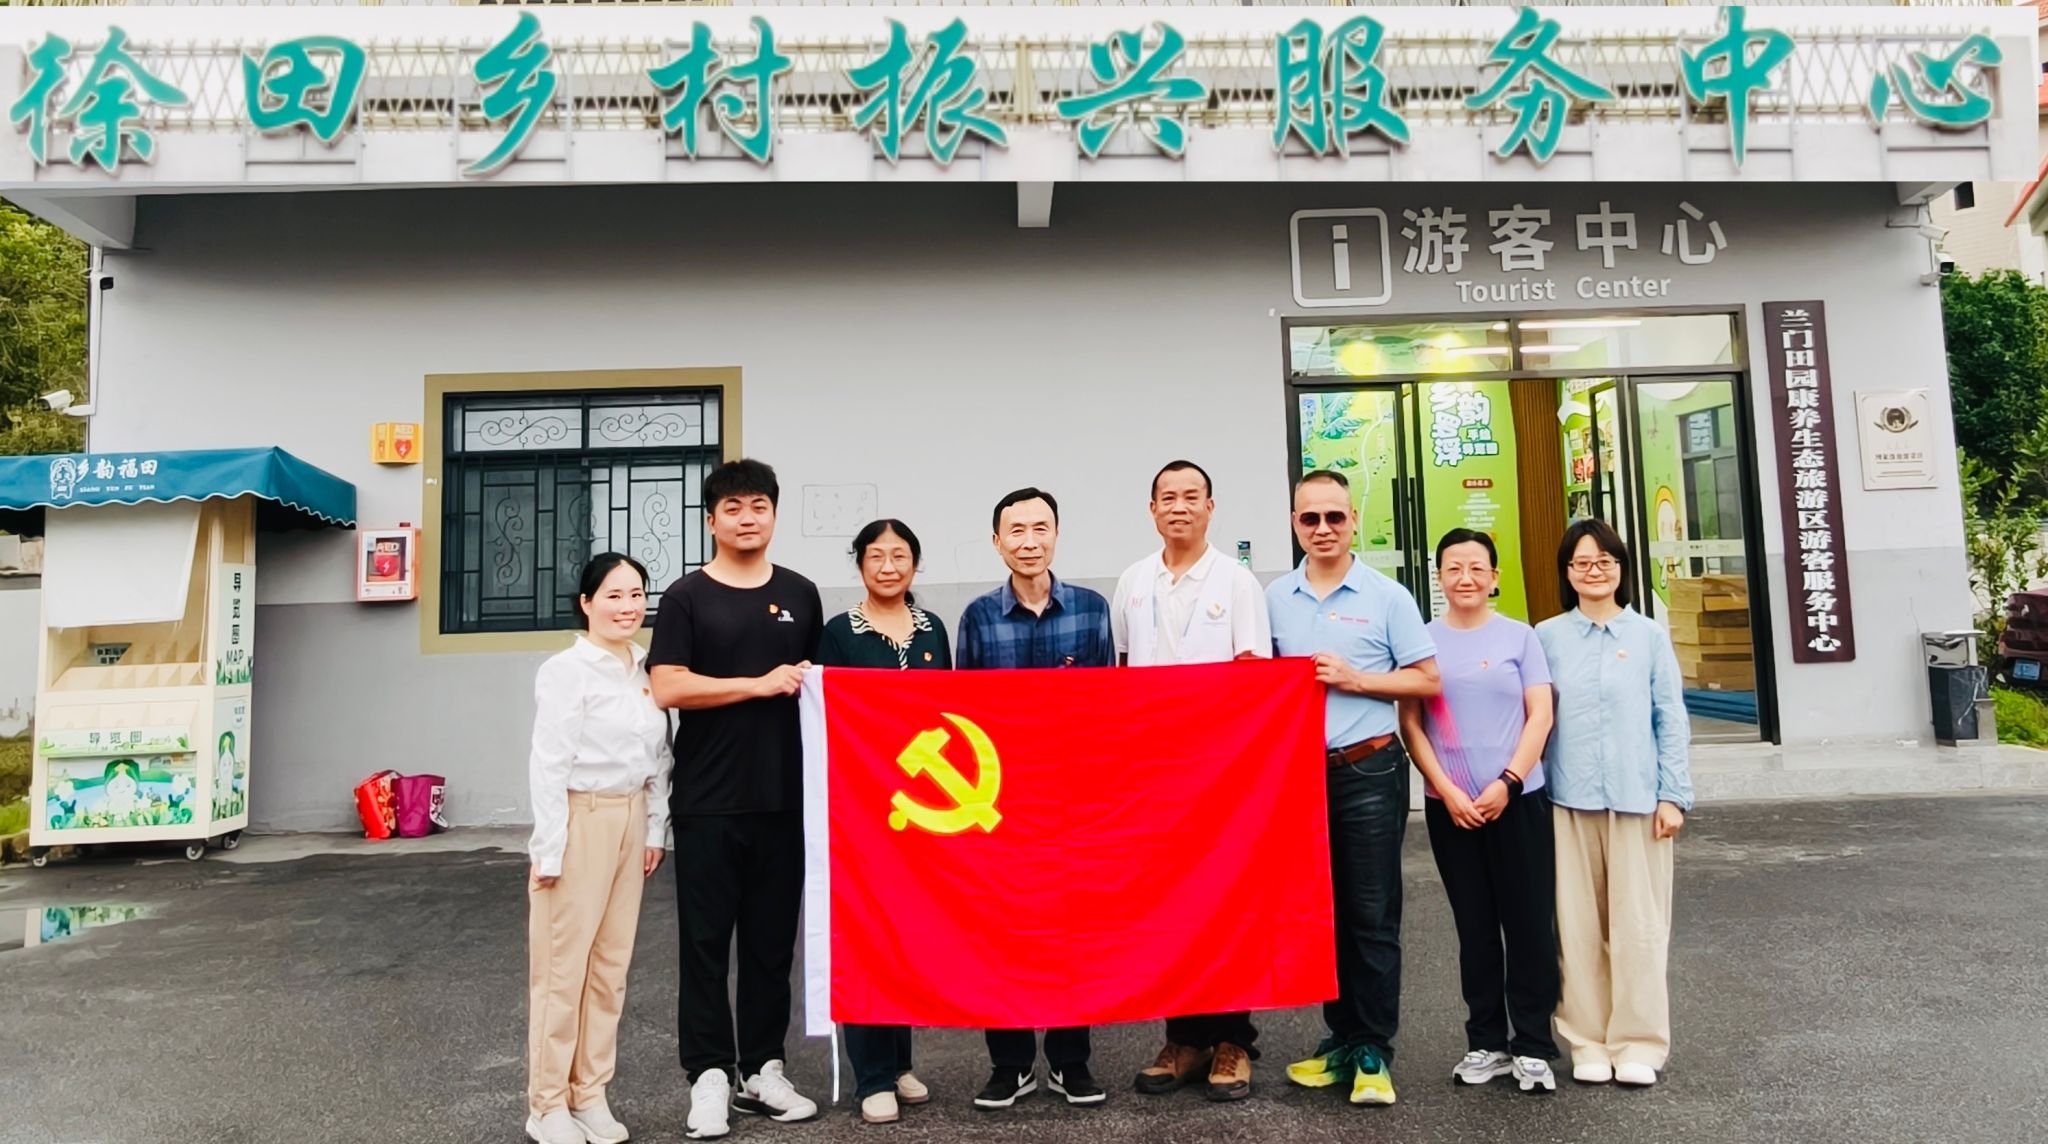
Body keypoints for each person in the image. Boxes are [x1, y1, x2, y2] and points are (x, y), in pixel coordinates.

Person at [648, 459, 824, 1140]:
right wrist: (756, 683)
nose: (747, 518)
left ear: (774, 514)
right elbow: (667, 685)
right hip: (709, 800)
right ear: (711, 520)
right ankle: (709, 1076)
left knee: (770, 947)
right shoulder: (687, 596)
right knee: (705, 945)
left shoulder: (801, 593)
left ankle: (762, 1069)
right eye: (733, 508)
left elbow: (820, 688)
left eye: (759, 506)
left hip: (785, 799)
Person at [1267, 469, 1439, 1107]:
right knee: (1324, 914)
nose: (1323, 529)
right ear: (1295, 524)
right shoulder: (1274, 597)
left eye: (1334, 517)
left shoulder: (1387, 596)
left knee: (1371, 914)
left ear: (1353, 521)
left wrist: (1357, 679)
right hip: (1300, 778)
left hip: (1368, 769)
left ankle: (1373, 1048)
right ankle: (1340, 1040)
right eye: (1310, 518)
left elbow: (1427, 679)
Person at [1113, 460, 1272, 1103]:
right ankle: (1183, 1038)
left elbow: (1254, 680)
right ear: (1152, 509)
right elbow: (1123, 670)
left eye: (1191, 497)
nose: (1179, 507)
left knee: (1227, 902)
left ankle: (1233, 1039)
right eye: (1167, 497)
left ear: (1211, 506)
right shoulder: (1133, 581)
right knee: (1171, 906)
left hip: (1222, 773)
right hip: (1155, 774)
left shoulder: (1237, 582)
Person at [954, 487, 1112, 1112]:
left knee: (1074, 930)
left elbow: (1109, 708)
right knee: (1003, 932)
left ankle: (1072, 1062)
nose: (1029, 541)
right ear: (997, 542)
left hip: (1074, 799)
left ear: (1056, 534)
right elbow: (964, 715)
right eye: (1015, 531)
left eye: (1039, 528)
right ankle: (1011, 1064)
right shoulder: (978, 618)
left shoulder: (1093, 610)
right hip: (1001, 805)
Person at [1397, 529, 1560, 1095]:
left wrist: (1509, 781)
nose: (1465, 577)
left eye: (1476, 568)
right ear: (1438, 576)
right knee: (1475, 927)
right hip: (1453, 808)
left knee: (1529, 924)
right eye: (1453, 567)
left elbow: (1541, 715)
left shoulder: (1521, 636)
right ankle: (1486, 1041)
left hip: (1519, 800)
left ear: (1495, 577)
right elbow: (1411, 724)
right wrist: (1445, 789)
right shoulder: (1420, 641)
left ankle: (1533, 1044)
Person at [1535, 519, 1693, 1089]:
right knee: (1576, 930)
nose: (1594, 571)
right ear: (1567, 572)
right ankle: (1586, 1040)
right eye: (1581, 563)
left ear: (1621, 568)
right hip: (1567, 801)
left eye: (1604, 561)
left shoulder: (1648, 636)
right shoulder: (1546, 637)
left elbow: (1669, 718)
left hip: (1638, 803)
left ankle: (1639, 1043)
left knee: (1639, 929)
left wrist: (1673, 795)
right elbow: (1535, 717)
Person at [524, 553, 674, 1144]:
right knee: (563, 970)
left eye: (636, 594)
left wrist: (655, 829)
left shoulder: (645, 668)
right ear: (586, 603)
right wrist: (550, 848)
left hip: (630, 820)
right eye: (613, 595)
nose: (628, 607)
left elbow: (659, 757)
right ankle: (547, 1104)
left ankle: (590, 1093)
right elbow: (549, 763)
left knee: (610, 971)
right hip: (580, 819)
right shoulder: (567, 671)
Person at [815, 519, 950, 1125]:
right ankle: (870, 1075)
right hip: (862, 808)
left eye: (899, 556)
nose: (888, 566)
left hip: (922, 810)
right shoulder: (839, 633)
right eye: (876, 556)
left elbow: (949, 714)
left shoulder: (933, 629)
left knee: (907, 936)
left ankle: (898, 1063)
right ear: (860, 564)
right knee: (866, 935)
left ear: (915, 564)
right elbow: (830, 714)